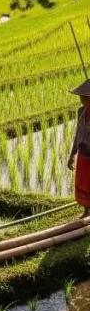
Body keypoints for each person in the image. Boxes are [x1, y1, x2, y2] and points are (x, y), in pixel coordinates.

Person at [68, 79, 90, 219]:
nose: (81, 100)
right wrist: (72, 154)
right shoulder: (81, 111)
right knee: (83, 184)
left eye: (84, 97)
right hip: (82, 155)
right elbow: (77, 133)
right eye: (81, 97)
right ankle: (86, 211)